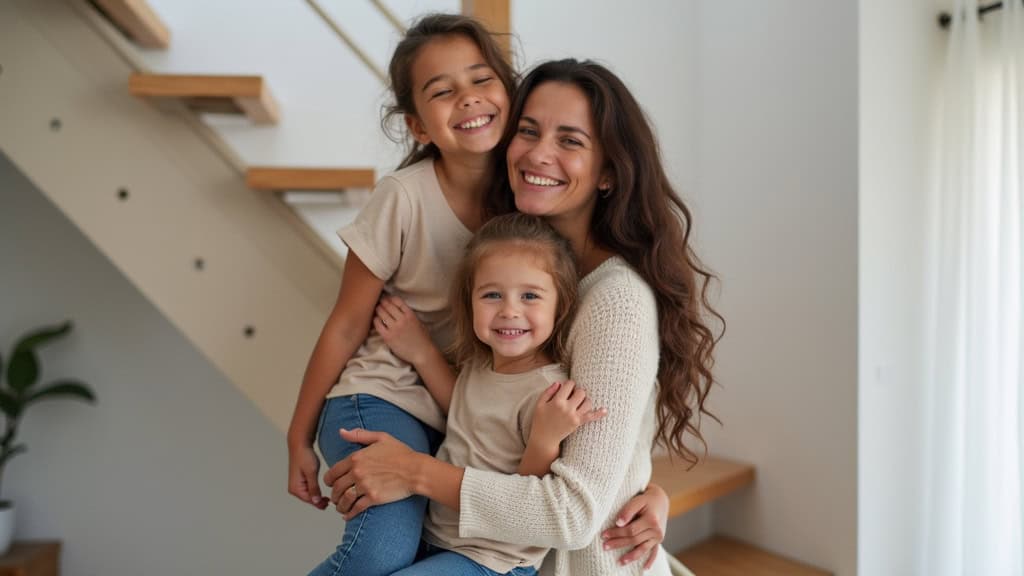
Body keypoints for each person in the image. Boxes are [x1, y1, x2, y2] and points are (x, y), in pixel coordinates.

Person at [286, 14, 674, 574]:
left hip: (557, 561)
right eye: (530, 130)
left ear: (609, 171)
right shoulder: (508, 236)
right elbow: (501, 412)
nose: (539, 155)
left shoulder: (613, 300)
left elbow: (580, 493)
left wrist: (650, 491)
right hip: (480, 523)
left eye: (570, 141)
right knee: (380, 549)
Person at [383, 212, 607, 575]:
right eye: (492, 295)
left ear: (560, 305)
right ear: (470, 301)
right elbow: (462, 407)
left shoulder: (547, 390)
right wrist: (421, 352)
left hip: (494, 561)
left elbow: (526, 500)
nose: (509, 311)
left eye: (530, 295)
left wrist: (545, 438)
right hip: (439, 540)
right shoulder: (479, 365)